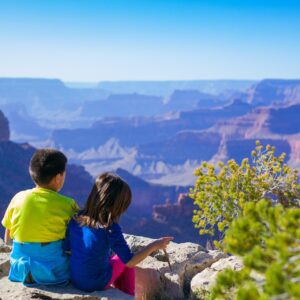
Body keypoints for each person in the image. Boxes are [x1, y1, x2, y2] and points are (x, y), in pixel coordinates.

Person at [67, 172, 173, 296]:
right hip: (95, 283)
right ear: (116, 205)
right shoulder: (110, 228)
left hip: (75, 279)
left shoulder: (76, 218)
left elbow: (69, 248)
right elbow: (130, 261)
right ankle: (128, 295)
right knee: (124, 259)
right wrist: (155, 245)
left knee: (114, 258)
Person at [1, 148, 78, 286]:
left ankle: (30, 270)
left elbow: (8, 234)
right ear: (58, 177)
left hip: (19, 269)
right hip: (53, 273)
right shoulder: (67, 204)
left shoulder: (18, 197)